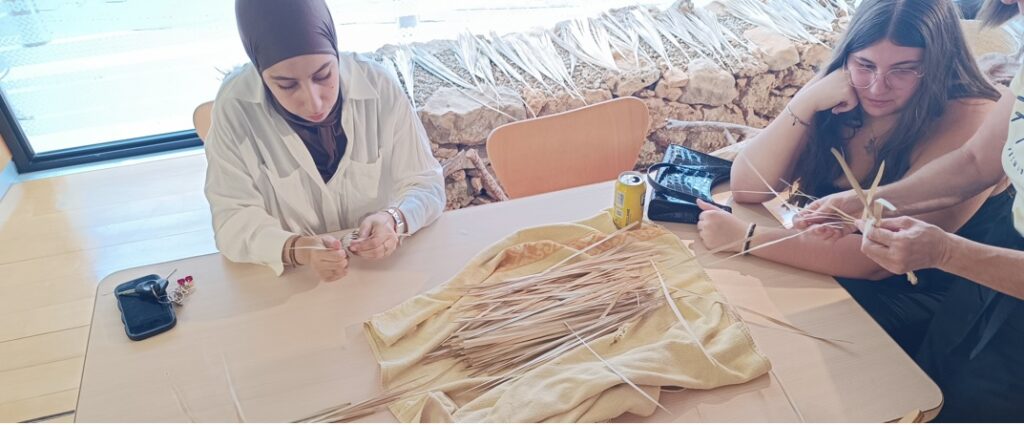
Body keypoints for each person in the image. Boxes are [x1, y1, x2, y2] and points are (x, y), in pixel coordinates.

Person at [695, 0, 1007, 354]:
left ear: (938, 65)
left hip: (918, 297)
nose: (877, 87)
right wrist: (805, 101)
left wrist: (748, 238)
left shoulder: (970, 115)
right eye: (865, 65)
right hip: (829, 266)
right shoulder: (845, 86)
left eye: (904, 70)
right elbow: (748, 187)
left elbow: (878, 261)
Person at [795, 0, 1024, 420]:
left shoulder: (968, 108)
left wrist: (947, 253)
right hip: (993, 265)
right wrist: (865, 200)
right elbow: (975, 162)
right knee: (934, 390)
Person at [204, 0, 444, 281]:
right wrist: (295, 248)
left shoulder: (379, 86)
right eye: (287, 85)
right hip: (297, 282)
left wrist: (394, 218)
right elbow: (231, 220)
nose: (314, 102)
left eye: (323, 75)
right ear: (260, 72)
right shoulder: (235, 107)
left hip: (381, 273)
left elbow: (426, 184)